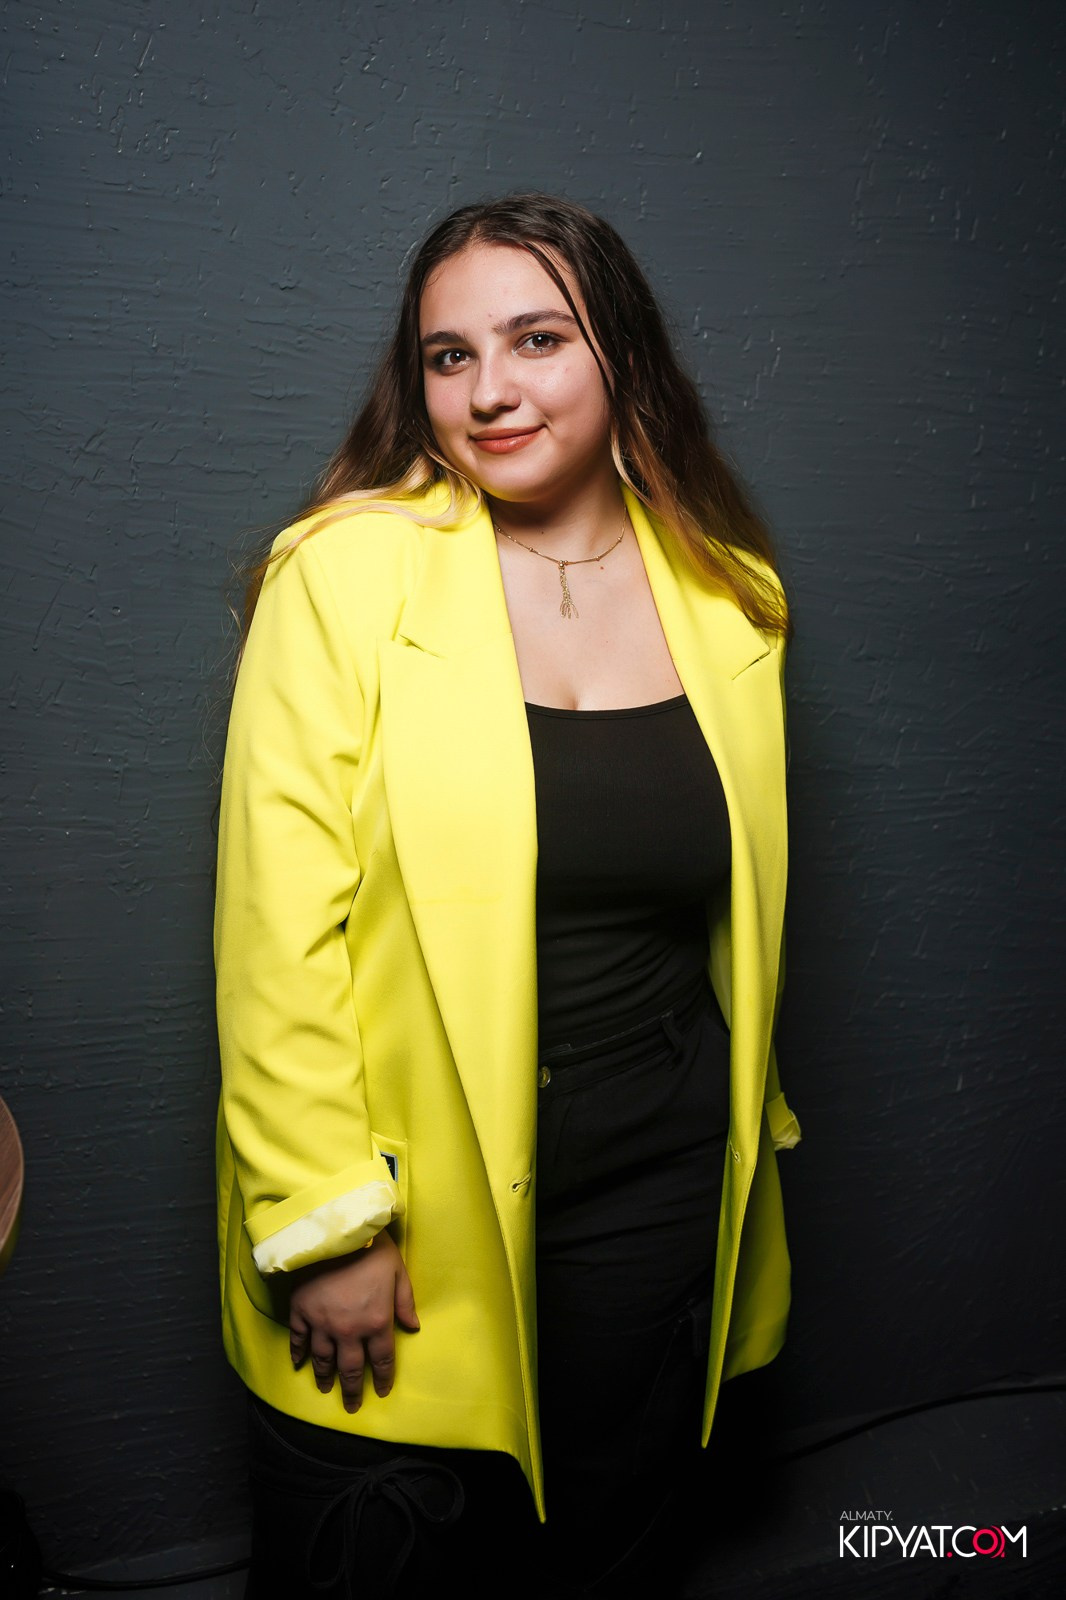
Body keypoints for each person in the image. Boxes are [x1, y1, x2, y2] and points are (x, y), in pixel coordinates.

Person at [214, 193, 801, 1598]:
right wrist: (326, 1220)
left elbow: (732, 922)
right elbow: (276, 926)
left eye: (536, 338)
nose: (489, 390)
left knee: (607, 1551)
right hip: (412, 1189)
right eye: (449, 355)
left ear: (621, 353)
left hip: (657, 1176)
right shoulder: (343, 574)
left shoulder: (731, 601)